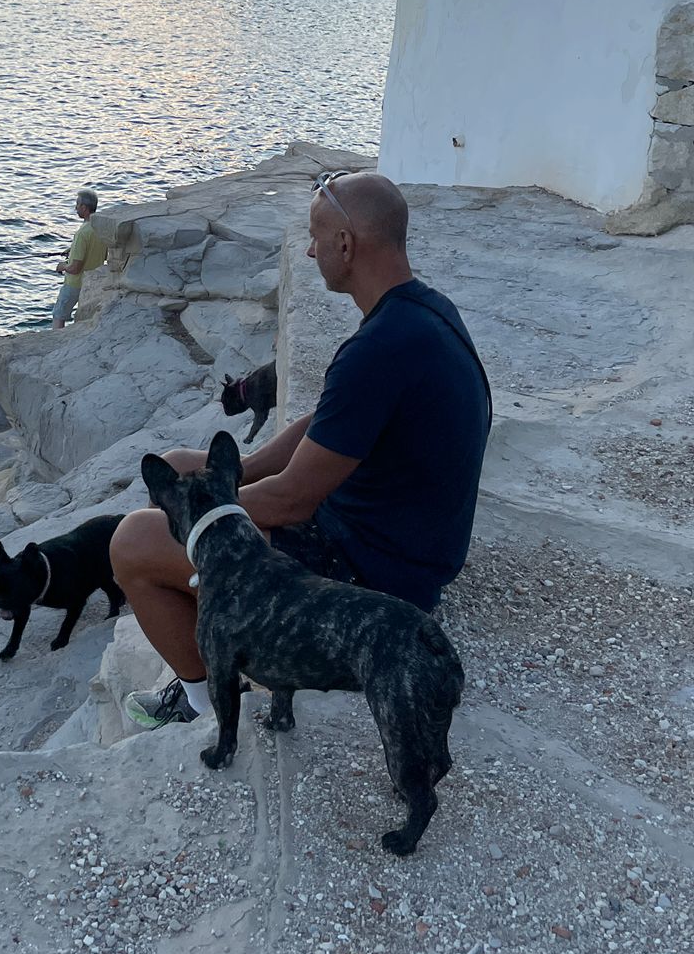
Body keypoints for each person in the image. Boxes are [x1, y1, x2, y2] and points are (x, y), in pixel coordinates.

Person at [112, 169, 492, 727]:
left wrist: (194, 517)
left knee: (133, 541)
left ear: (346, 243)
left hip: (373, 575)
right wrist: (245, 469)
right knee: (176, 467)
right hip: (391, 540)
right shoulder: (422, 312)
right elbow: (330, 421)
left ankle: (203, 703)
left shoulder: (380, 350)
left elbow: (291, 502)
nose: (310, 252)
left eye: (316, 238)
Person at [52, 186, 107, 328]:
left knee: (59, 315)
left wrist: (61, 266)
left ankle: (57, 339)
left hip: (75, 283)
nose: (75, 207)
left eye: (77, 204)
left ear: (84, 207)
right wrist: (72, 250)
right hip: (92, 282)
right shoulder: (100, 227)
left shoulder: (82, 234)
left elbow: (75, 268)